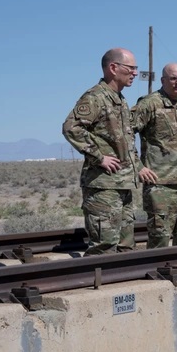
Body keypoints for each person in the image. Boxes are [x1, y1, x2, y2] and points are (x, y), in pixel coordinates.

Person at [62, 48, 143, 255]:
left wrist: (138, 167)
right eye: (131, 68)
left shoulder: (119, 99)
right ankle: (99, 284)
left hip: (122, 184)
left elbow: (124, 141)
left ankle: (123, 284)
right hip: (103, 185)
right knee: (104, 247)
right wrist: (98, 157)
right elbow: (72, 127)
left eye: (136, 68)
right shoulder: (96, 97)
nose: (135, 73)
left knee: (125, 247)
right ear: (113, 68)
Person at [133, 63, 177, 248]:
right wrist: (138, 166)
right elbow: (124, 134)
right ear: (163, 80)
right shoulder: (149, 104)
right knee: (160, 238)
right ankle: (157, 273)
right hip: (159, 183)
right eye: (173, 78)